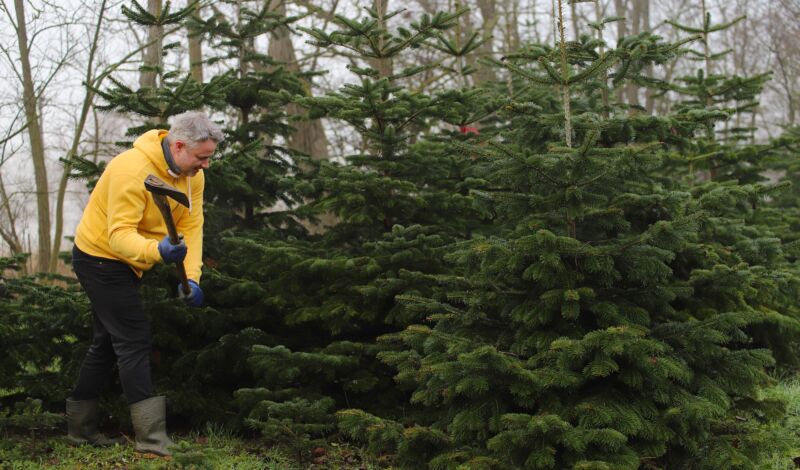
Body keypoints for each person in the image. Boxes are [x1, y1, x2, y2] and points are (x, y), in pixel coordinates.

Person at [65, 111, 223, 456]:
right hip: (99, 257)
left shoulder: (191, 176)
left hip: (130, 264)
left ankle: (80, 429)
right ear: (179, 146)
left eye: (209, 157)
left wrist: (192, 278)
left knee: (107, 342)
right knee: (133, 337)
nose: (206, 165)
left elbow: (192, 225)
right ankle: (151, 439)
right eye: (201, 158)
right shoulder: (132, 169)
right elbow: (119, 236)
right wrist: (157, 250)